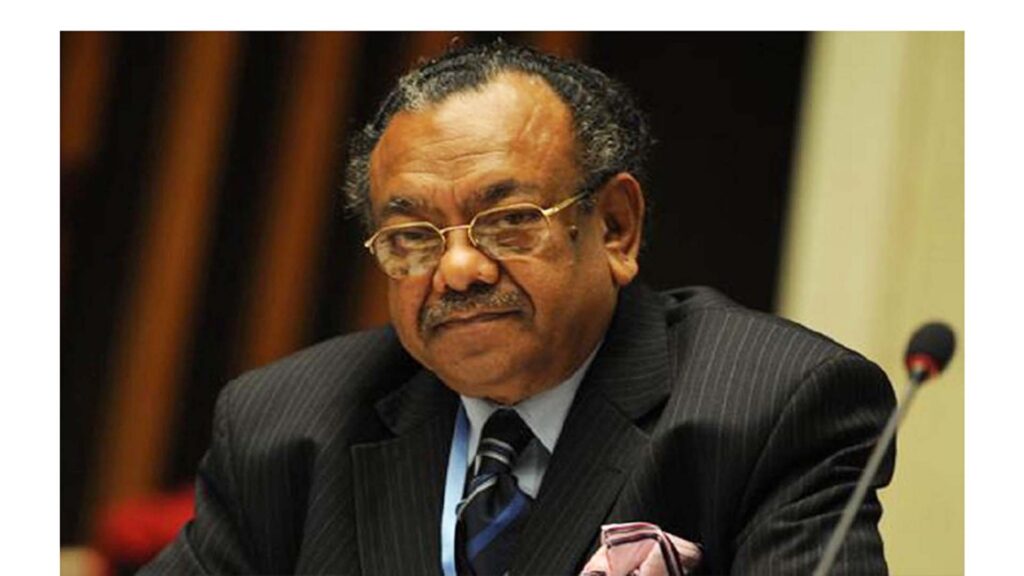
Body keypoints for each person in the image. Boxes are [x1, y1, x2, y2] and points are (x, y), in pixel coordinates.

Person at [141, 42, 895, 575]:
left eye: (508, 221)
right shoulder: (285, 424)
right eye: (413, 237)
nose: (458, 269)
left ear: (615, 228)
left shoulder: (770, 408)